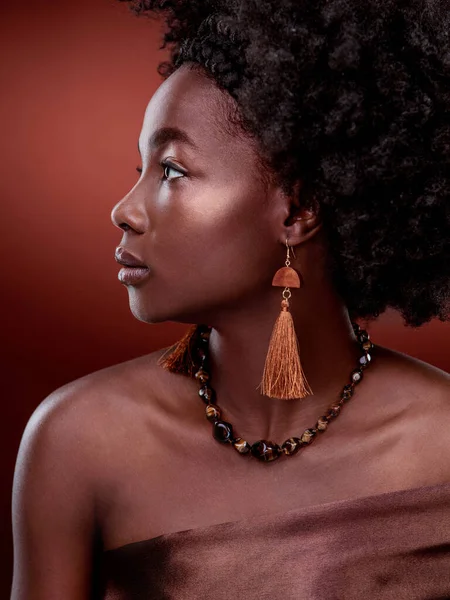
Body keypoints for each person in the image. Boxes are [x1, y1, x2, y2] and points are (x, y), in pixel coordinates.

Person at [11, 0, 450, 598]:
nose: (125, 210)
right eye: (139, 168)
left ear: (296, 210)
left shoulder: (441, 445)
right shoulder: (79, 441)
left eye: (170, 170)